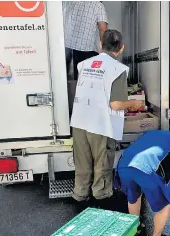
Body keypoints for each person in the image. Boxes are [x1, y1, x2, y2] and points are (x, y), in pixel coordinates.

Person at [70, 29, 143, 204]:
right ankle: (101, 196)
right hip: (101, 124)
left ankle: (80, 193)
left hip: (80, 121)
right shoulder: (117, 69)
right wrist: (134, 103)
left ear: (101, 45)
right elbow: (116, 104)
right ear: (122, 47)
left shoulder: (84, 64)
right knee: (102, 163)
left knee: (82, 162)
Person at [63, 1, 108, 80]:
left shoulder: (66, 2)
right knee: (86, 81)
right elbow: (103, 29)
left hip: (66, 48)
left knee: (65, 79)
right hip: (86, 49)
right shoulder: (97, 5)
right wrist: (105, 53)